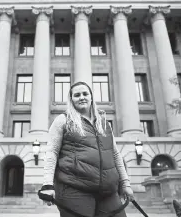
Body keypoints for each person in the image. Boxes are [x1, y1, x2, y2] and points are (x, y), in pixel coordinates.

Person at [39, 81, 134, 217]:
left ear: (91, 97)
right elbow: (52, 153)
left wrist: (126, 184)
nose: (82, 97)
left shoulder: (104, 123)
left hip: (108, 191)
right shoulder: (63, 120)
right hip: (74, 190)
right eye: (77, 95)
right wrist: (47, 185)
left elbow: (115, 154)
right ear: (71, 100)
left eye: (85, 93)